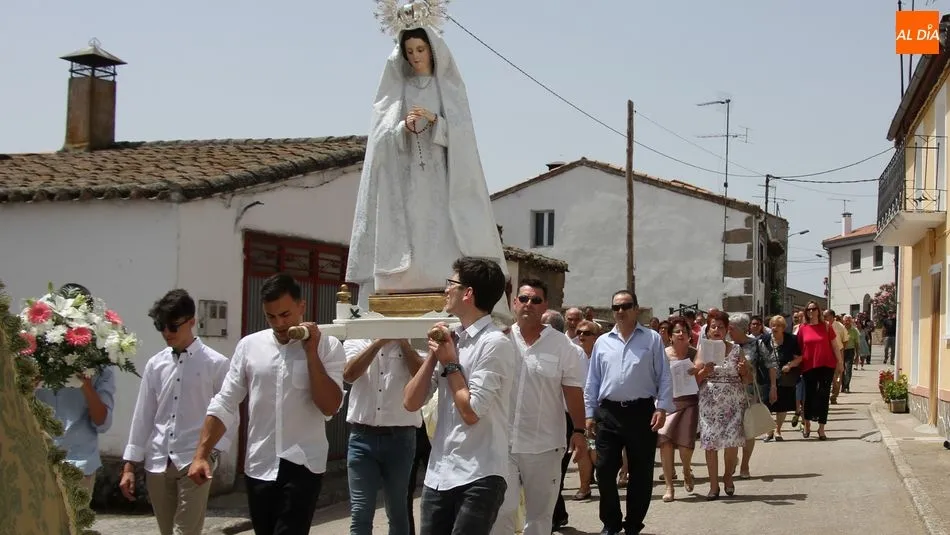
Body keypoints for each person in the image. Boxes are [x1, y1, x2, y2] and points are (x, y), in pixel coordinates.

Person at [346, 8, 509, 320]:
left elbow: (463, 139)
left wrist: (436, 121)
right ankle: (406, 283)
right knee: (411, 224)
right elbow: (382, 141)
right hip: (407, 178)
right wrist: (403, 127)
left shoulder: (446, 87)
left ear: (432, 50)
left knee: (441, 224)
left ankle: (443, 280)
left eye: (420, 49)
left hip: (442, 177)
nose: (415, 56)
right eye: (409, 51)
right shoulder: (398, 90)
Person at [188, 274, 345, 535]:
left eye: (285, 315)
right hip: (259, 465)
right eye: (271, 317)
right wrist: (201, 455)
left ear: (301, 307)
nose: (279, 323)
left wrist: (311, 353)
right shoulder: (249, 346)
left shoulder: (327, 346)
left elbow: (330, 406)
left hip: (302, 464)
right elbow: (225, 402)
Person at [403, 257, 514, 535]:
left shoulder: (495, 343)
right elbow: (411, 402)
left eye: (450, 284)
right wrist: (433, 353)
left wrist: (451, 364)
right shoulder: (452, 339)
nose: (445, 290)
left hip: (480, 474)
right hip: (439, 472)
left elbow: (471, 412)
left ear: (468, 293)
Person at [119, 289, 231, 535]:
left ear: (192, 321)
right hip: (157, 462)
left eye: (172, 326)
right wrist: (129, 466)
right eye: (161, 326)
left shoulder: (216, 364)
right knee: (167, 531)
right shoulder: (155, 364)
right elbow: (143, 415)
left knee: (185, 532)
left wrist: (212, 453)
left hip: (195, 459)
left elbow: (228, 412)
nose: (166, 333)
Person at [491, 280, 587, 535]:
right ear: (514, 303)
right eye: (523, 299)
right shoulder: (499, 340)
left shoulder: (562, 345)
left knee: (540, 516)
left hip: (544, 445)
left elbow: (573, 390)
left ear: (545, 305)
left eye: (535, 300)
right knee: (501, 510)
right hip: (503, 443)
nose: (528, 305)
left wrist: (579, 430)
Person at [585, 290, 673, 535]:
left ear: (636, 309)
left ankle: (633, 524)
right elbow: (592, 380)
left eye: (626, 306)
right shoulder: (603, 342)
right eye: (616, 307)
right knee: (603, 470)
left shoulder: (652, 339)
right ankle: (611, 523)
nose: (620, 311)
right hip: (609, 413)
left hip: (641, 411)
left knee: (641, 472)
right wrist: (589, 413)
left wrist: (662, 406)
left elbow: (664, 376)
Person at [34, 283, 117, 506]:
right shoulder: (38, 355)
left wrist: (86, 385)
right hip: (39, 462)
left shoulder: (102, 367)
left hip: (80, 464)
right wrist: (33, 379)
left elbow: (102, 422)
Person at [343, 337, 423, 535]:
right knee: (360, 511)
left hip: (400, 438)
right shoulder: (358, 339)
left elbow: (422, 377)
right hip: (362, 438)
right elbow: (349, 374)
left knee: (397, 510)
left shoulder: (415, 340)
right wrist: (378, 343)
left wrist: (404, 343)